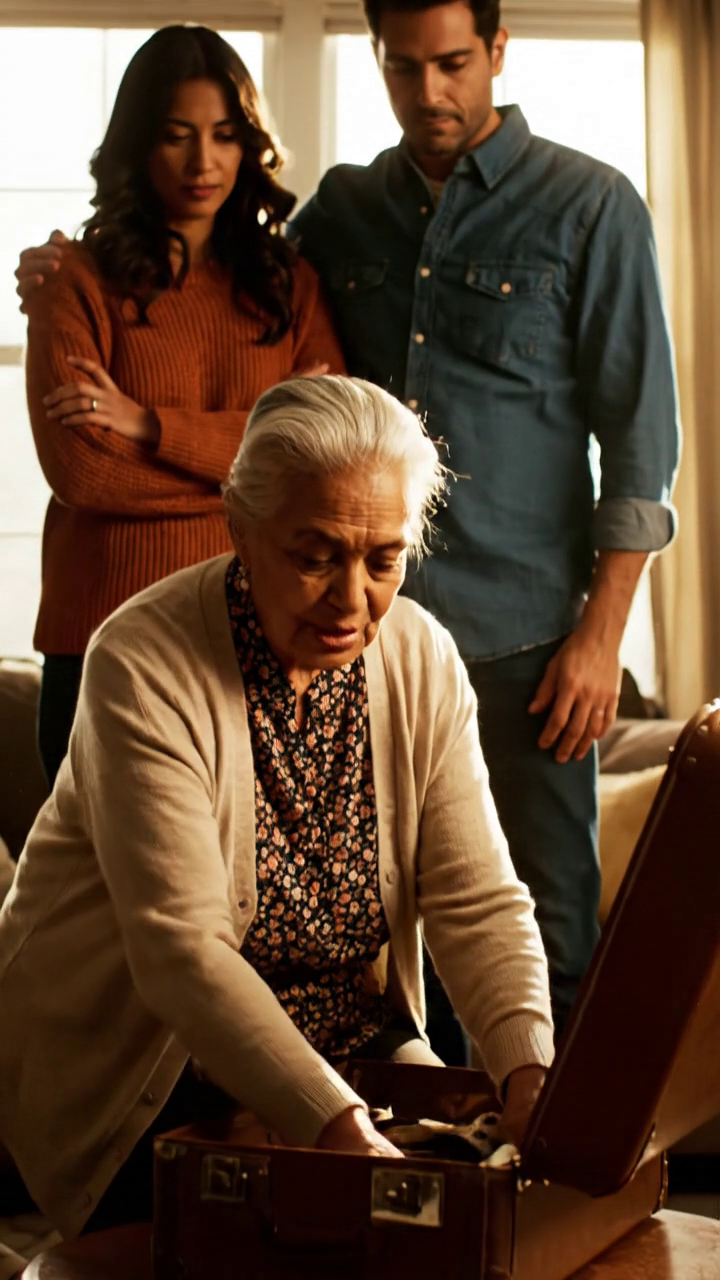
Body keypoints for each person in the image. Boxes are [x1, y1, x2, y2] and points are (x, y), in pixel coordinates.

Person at [15, 2, 681, 1046]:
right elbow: (242, 408)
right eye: (404, 67)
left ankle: (544, 1183)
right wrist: (60, 273)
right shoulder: (338, 218)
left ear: (498, 51)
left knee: (534, 933)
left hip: (524, 644)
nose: (430, 93)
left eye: (454, 63)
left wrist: (603, 636)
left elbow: (640, 449)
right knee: (297, 940)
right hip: (335, 636)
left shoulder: (589, 207)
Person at [0, 376, 554, 1239]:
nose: (352, 601)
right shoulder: (141, 663)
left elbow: (476, 900)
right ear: (241, 528)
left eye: (384, 559)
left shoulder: (421, 656)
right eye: (315, 555)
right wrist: (336, 1131)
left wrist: (528, 1077)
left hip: (345, 1047)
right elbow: (183, 954)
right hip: (140, 1070)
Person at [19, 24, 344, 786]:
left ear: (248, 145)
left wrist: (147, 424)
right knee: (97, 896)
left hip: (251, 634)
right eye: (177, 136)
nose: (204, 162)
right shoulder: (72, 278)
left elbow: (323, 450)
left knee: (242, 895)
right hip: (99, 635)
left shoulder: (288, 283)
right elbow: (83, 475)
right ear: (138, 143)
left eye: (226, 136)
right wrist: (254, 489)